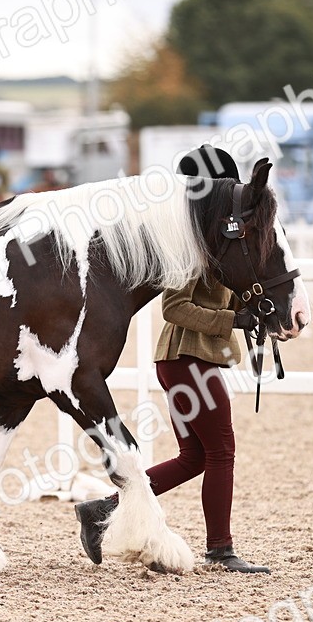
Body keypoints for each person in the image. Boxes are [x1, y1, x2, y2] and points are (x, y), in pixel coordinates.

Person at [74, 145, 270, 574]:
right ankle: (220, 548)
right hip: (188, 358)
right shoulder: (188, 246)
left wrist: (256, 310)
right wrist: (233, 318)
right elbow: (174, 307)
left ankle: (101, 511)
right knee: (222, 451)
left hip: (190, 360)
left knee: (195, 457)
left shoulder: (214, 240)